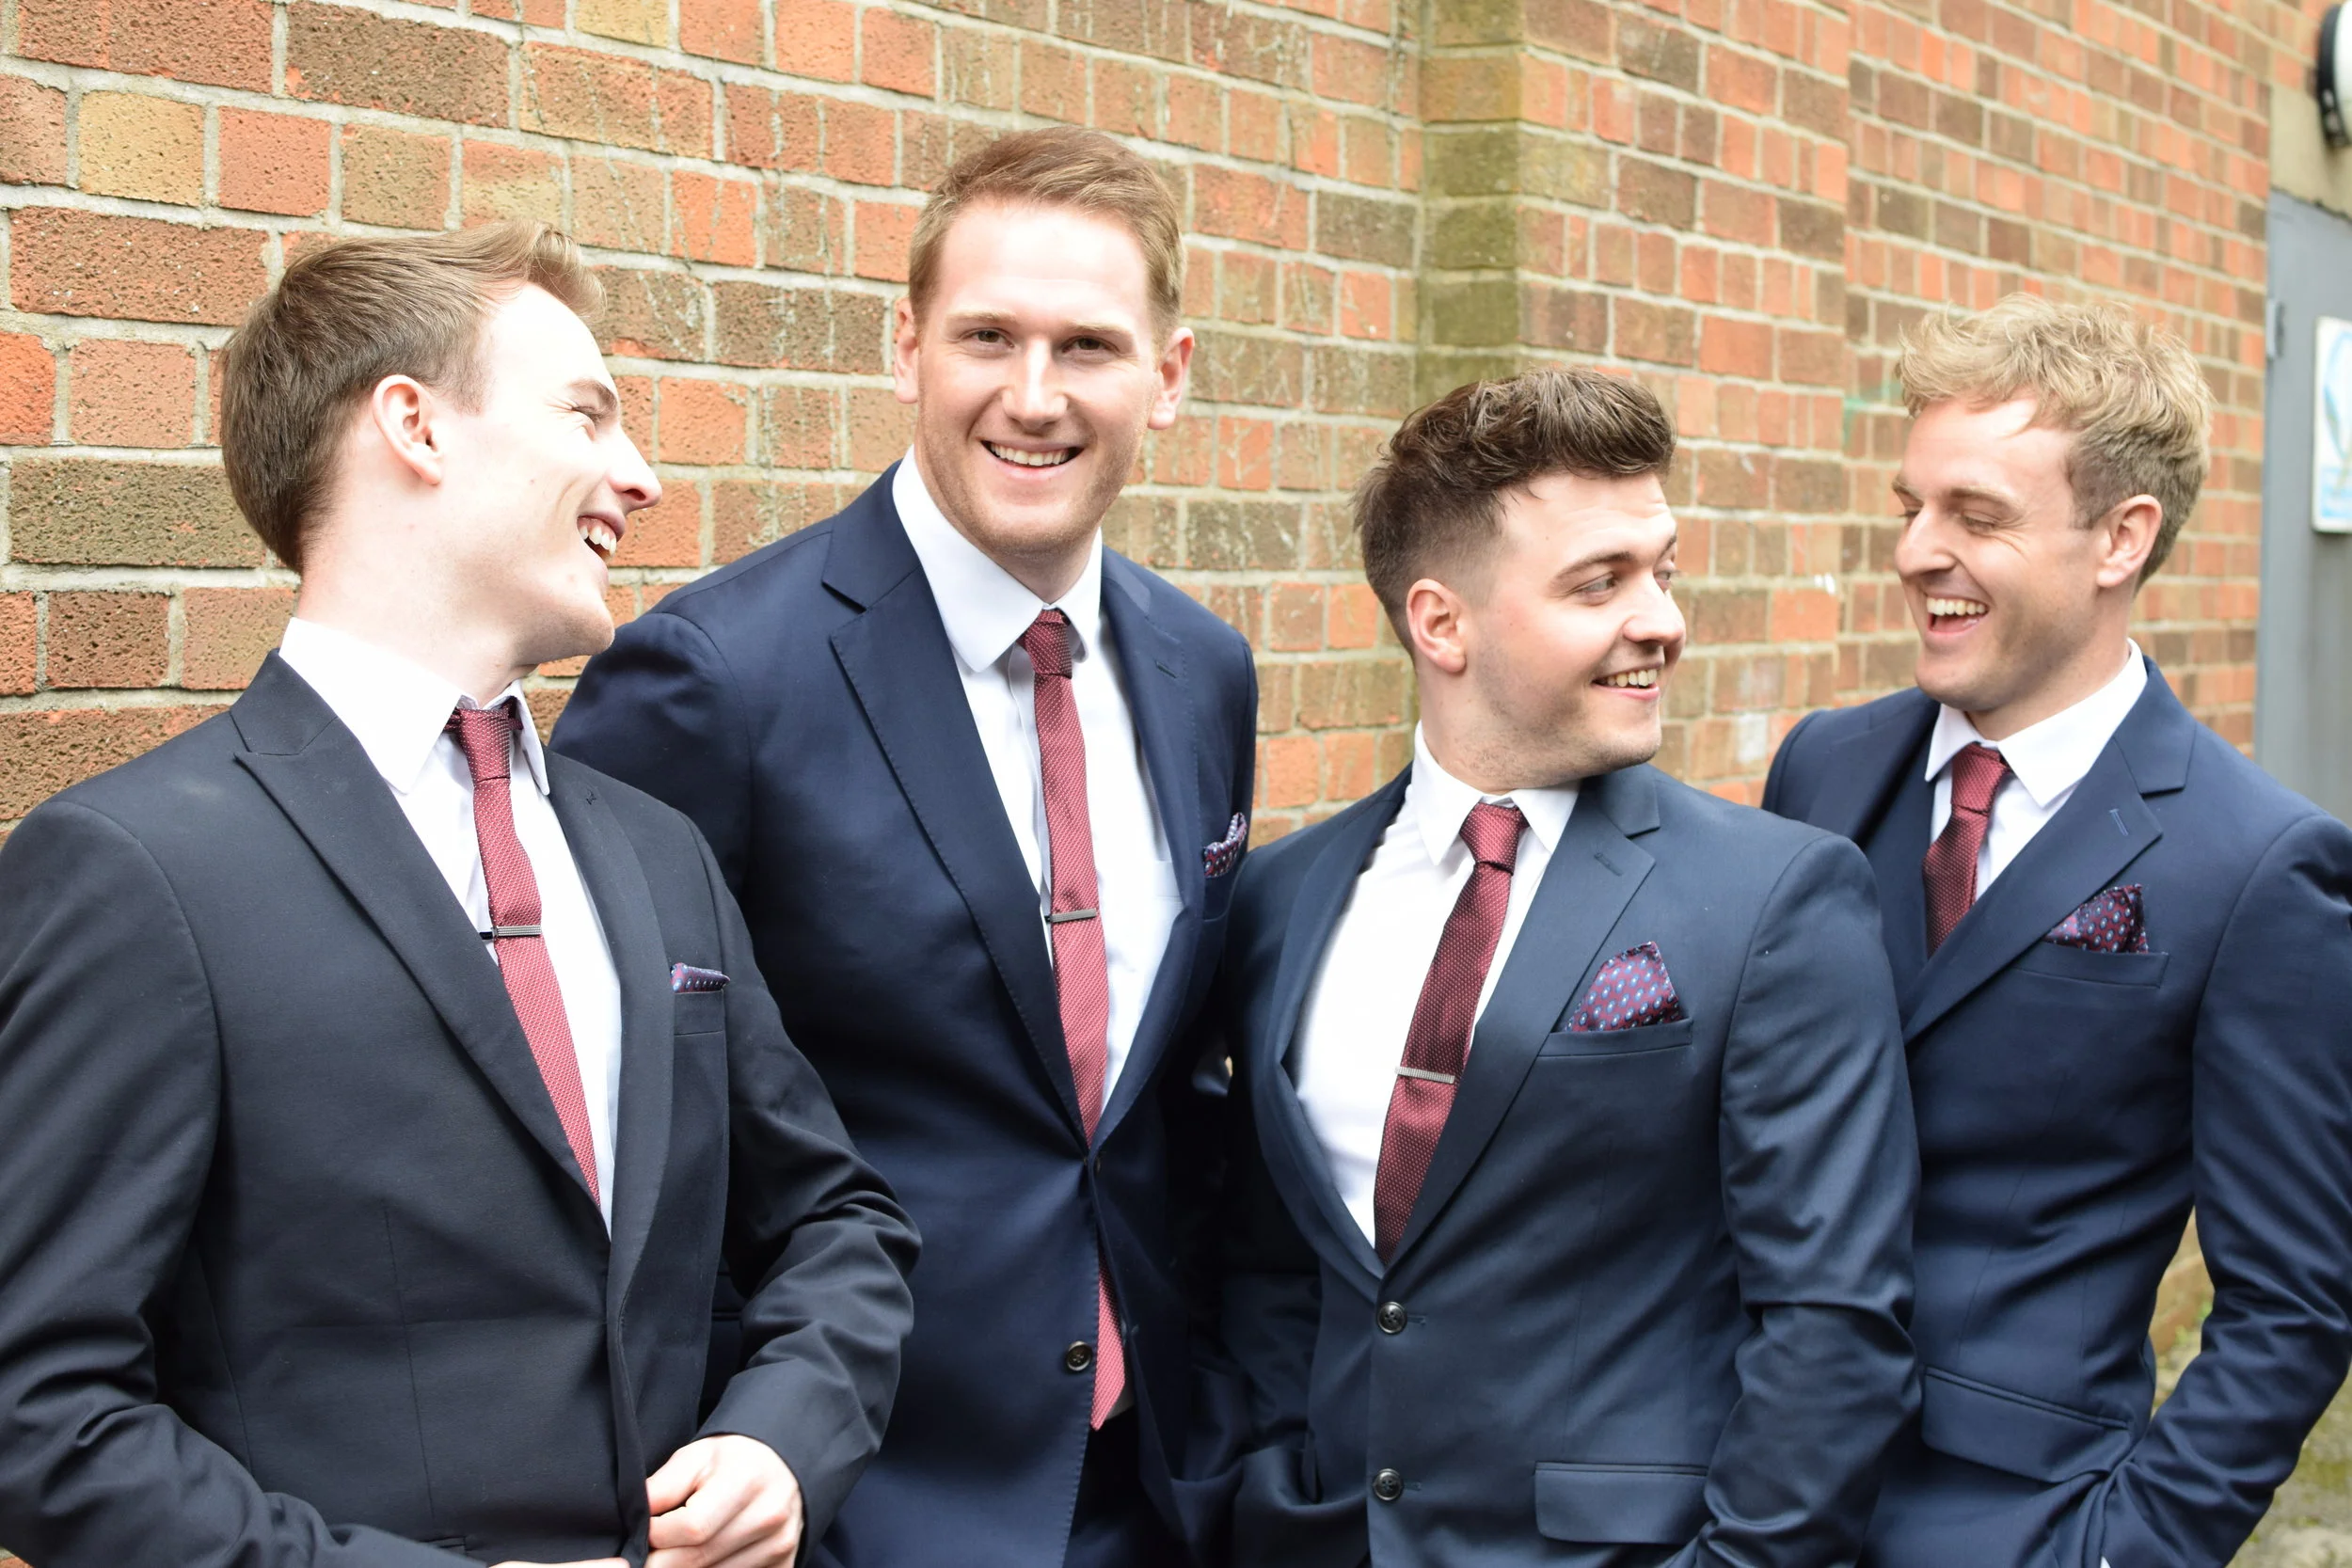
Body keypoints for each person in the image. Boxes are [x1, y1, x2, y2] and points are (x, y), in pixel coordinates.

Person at [0, 222, 918, 1568]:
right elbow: (36, 1409)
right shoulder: (133, 868)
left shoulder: (656, 849)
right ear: (415, 426)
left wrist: (784, 1438)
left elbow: (838, 1222)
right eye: (587, 414)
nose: (641, 475)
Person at [552, 128, 1256, 1568]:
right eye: (988, 335)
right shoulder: (714, 678)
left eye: (1088, 345)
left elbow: (1165, 1095)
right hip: (847, 1495)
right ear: (907, 347)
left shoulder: (1206, 670)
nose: (1034, 395)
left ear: (1170, 373)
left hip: (1152, 1486)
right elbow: (602, 1120)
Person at [1202, 368, 1919, 1566]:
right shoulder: (1283, 898)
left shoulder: (1775, 898)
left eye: (1662, 571)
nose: (1661, 620)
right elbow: (1267, 1263)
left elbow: (1833, 1326)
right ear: (1441, 623)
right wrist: (1268, 1480)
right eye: (1601, 582)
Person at [1764, 294, 2352, 1567]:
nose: (1917, 550)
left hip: (2016, 1516)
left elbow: (2293, 1300)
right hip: (1750, 1493)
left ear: (2119, 538)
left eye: (1975, 515)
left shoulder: (2258, 864)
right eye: (1911, 505)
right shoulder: (1822, 766)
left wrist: (2125, 1547)